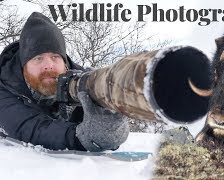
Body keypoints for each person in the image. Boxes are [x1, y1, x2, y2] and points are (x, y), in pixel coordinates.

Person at [0, 12, 129, 152]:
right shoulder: (5, 87)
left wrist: (111, 129)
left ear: (65, 63)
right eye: (38, 58)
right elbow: (30, 128)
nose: (48, 65)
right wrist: (80, 138)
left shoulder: (81, 81)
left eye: (55, 57)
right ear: (23, 66)